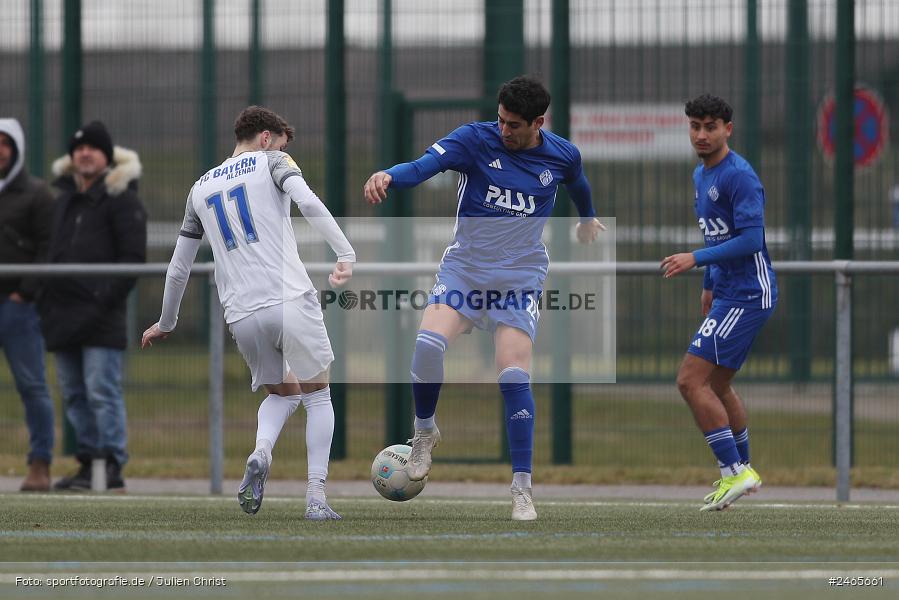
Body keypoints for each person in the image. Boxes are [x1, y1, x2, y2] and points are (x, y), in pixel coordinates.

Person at [363, 75, 604, 521]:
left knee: (514, 377)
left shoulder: (562, 154)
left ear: (538, 122)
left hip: (519, 279)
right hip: (465, 271)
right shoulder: (475, 140)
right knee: (427, 343)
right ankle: (424, 433)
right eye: (500, 120)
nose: (504, 130)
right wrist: (387, 176)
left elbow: (579, 183)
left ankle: (522, 489)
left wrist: (587, 218)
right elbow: (421, 167)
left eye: (513, 125)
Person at [141, 106, 355, 520]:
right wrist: (345, 252)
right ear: (265, 137)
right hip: (289, 297)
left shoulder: (199, 189)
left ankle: (261, 451)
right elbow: (307, 202)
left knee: (282, 392)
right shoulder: (273, 160)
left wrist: (166, 322)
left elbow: (179, 266)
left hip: (241, 313)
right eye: (280, 142)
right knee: (318, 393)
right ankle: (315, 498)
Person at [661, 94, 776, 511]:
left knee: (690, 381)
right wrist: (709, 283)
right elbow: (719, 234)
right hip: (728, 291)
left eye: (711, 127)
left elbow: (751, 239)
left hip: (748, 293)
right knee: (718, 384)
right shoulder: (701, 175)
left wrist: (696, 259)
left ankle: (734, 471)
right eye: (695, 126)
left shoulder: (738, 175)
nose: (702, 134)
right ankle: (740, 473)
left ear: (728, 129)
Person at [39, 120, 147, 492]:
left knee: (102, 390)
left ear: (107, 156)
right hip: (62, 316)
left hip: (101, 318)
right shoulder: (63, 199)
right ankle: (89, 465)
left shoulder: (123, 200)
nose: (85, 153)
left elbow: (132, 261)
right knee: (74, 395)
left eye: (93, 148)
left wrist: (102, 300)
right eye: (78, 148)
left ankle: (112, 466)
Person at [0, 119, 56, 491]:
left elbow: (48, 247)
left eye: (5, 143)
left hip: (18, 306)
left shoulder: (37, 194)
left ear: (16, 149)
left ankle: (40, 465)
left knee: (32, 386)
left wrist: (25, 292)